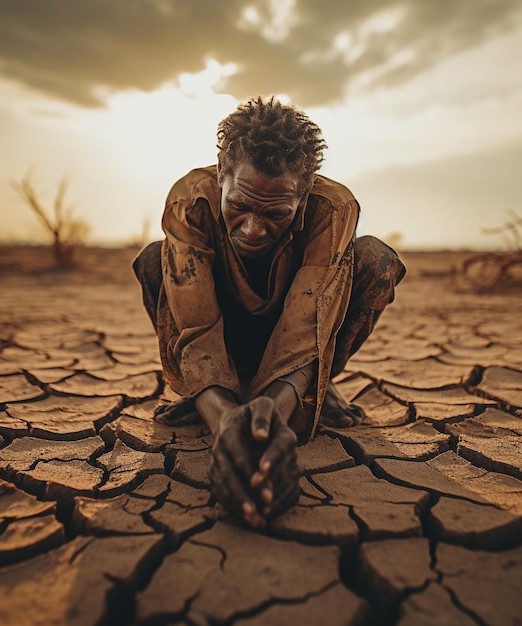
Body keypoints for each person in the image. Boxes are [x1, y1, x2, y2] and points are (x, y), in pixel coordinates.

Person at [133, 96, 405, 529]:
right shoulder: (190, 201)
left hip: (297, 334)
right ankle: (206, 391)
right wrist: (224, 420)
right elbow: (195, 326)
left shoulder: (332, 209)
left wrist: (272, 414)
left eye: (276, 212)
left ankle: (319, 386)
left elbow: (307, 328)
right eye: (239, 205)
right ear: (222, 173)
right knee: (153, 260)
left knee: (376, 260)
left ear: (305, 192)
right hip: (224, 333)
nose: (253, 228)